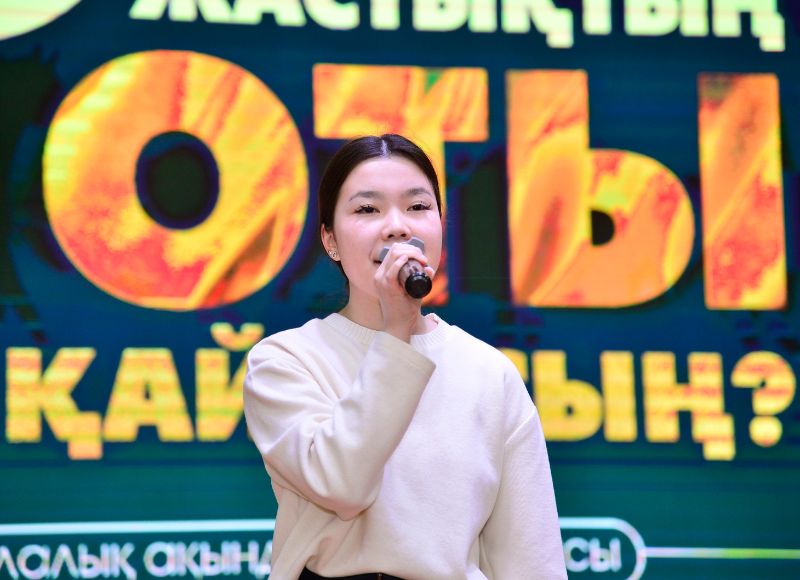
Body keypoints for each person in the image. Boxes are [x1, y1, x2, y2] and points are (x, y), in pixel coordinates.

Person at [243, 134, 566, 580]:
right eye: (367, 209)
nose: (397, 227)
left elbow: (531, 558)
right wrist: (396, 332)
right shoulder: (285, 360)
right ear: (330, 240)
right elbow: (341, 485)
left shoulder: (489, 372)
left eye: (417, 207)